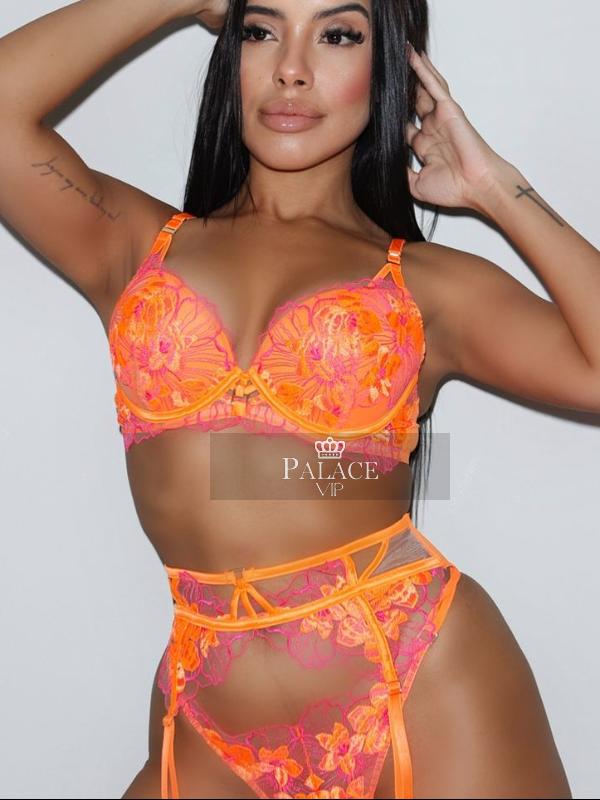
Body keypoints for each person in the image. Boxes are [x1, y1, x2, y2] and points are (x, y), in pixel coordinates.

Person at [2, 0, 596, 797]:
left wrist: (495, 186)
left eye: (338, 35)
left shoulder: (427, 286)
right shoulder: (132, 244)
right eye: (261, 30)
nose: (291, 68)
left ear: (388, 72)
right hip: (209, 716)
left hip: (419, 679)